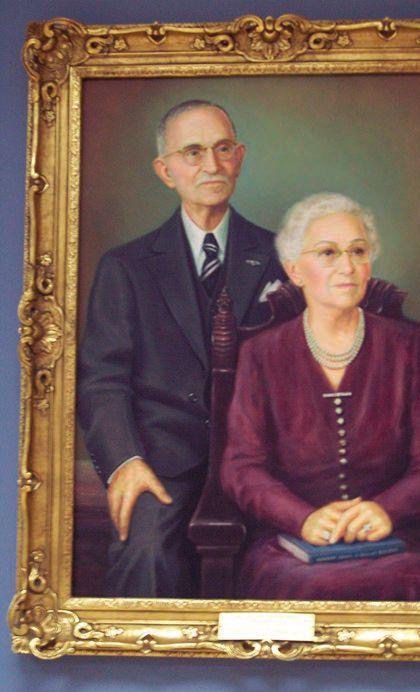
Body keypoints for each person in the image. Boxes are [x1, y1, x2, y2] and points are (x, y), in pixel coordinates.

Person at [78, 100, 286, 598]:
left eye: (222, 149)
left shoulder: (285, 256)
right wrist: (125, 461)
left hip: (268, 461)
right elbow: (101, 382)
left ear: (239, 157)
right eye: (193, 152)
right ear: (165, 171)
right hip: (161, 461)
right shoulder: (125, 267)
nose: (211, 165)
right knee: (146, 552)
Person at [220, 192, 420, 601]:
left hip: (400, 538)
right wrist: (303, 518)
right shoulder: (260, 354)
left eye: (358, 251)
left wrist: (386, 509)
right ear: (294, 270)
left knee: (419, 577)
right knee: (296, 588)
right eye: (328, 253)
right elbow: (242, 468)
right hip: (293, 544)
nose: (347, 267)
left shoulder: (411, 348)